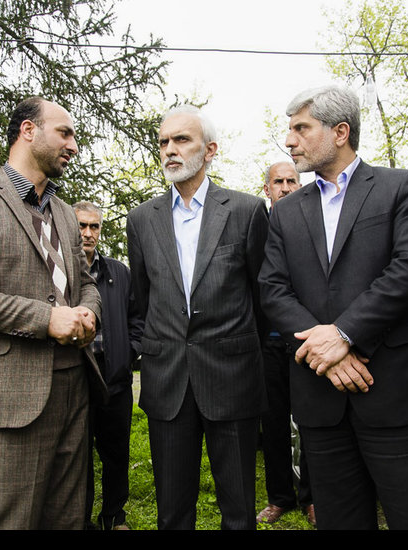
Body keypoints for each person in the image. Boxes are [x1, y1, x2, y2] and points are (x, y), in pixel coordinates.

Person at [258, 84, 408, 530]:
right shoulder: (286, 211)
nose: (289, 140)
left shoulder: (401, 186)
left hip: (396, 392)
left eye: (301, 129)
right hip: (320, 398)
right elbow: (272, 288)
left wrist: (344, 334)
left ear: (340, 131)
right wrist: (327, 351)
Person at [0, 96, 105, 530]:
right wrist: (46, 319)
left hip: (74, 387)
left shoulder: (65, 214)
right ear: (28, 131)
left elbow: (86, 283)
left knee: (68, 519)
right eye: (65, 133)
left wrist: (88, 312)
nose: (74, 146)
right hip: (7, 397)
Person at [126, 105, 269, 530]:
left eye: (181, 140)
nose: (169, 149)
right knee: (172, 512)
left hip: (232, 377)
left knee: (239, 512)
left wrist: (238, 347)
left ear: (210, 150)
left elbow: (262, 297)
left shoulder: (246, 210)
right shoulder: (141, 219)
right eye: (163, 142)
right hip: (167, 380)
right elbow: (144, 297)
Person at [73, 201, 143, 531]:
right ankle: (80, 519)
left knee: (116, 453)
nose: (88, 233)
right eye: (82, 225)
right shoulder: (60, 270)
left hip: (114, 377)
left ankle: (114, 516)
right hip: (76, 379)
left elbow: (137, 318)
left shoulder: (119, 272)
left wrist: (129, 352)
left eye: (94, 226)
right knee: (78, 456)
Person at [256, 161, 315, 527]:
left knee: (310, 420)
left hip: (305, 339)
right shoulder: (256, 228)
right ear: (267, 189)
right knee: (273, 423)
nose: (286, 187)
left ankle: (312, 496)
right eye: (278, 181)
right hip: (266, 342)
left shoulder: (312, 223)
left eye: (292, 180)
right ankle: (280, 497)